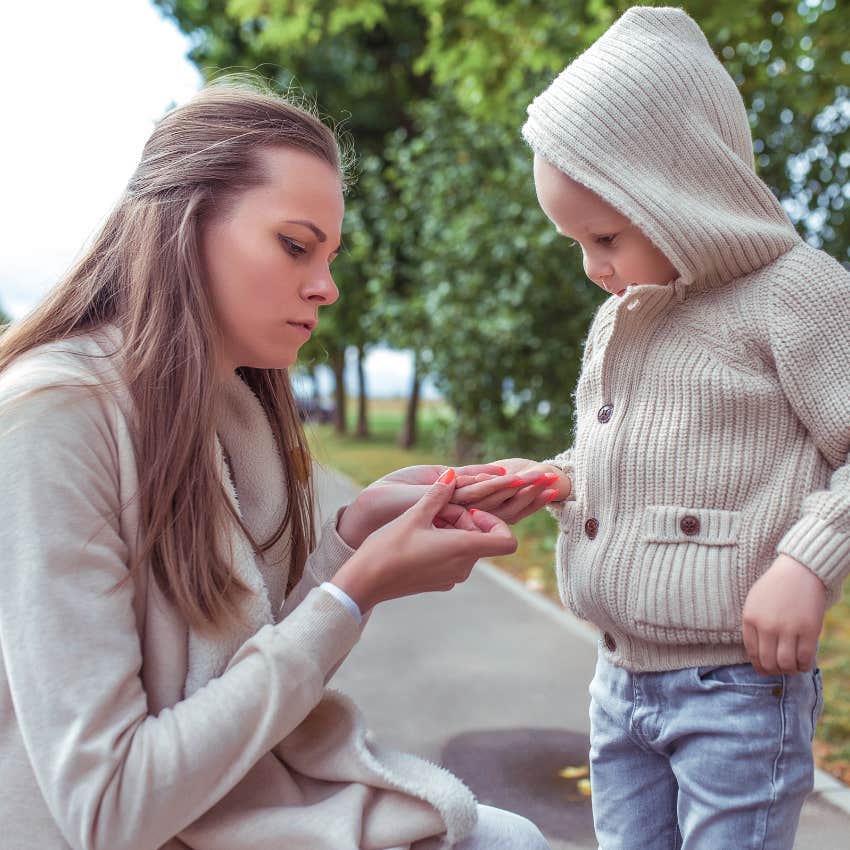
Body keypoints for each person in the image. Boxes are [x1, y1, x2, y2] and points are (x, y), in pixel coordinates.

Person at [0, 81, 554, 850]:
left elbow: (241, 668)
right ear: (184, 227)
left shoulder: (235, 408)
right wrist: (354, 593)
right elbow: (108, 810)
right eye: (296, 245)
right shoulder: (49, 417)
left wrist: (356, 536)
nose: (325, 286)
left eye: (328, 255)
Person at [452, 6, 850, 848]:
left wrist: (807, 564)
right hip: (619, 679)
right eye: (574, 243)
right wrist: (558, 479)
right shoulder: (620, 317)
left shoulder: (795, 293)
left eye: (606, 235)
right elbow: (643, 455)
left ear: (686, 196)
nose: (593, 266)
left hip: (738, 690)